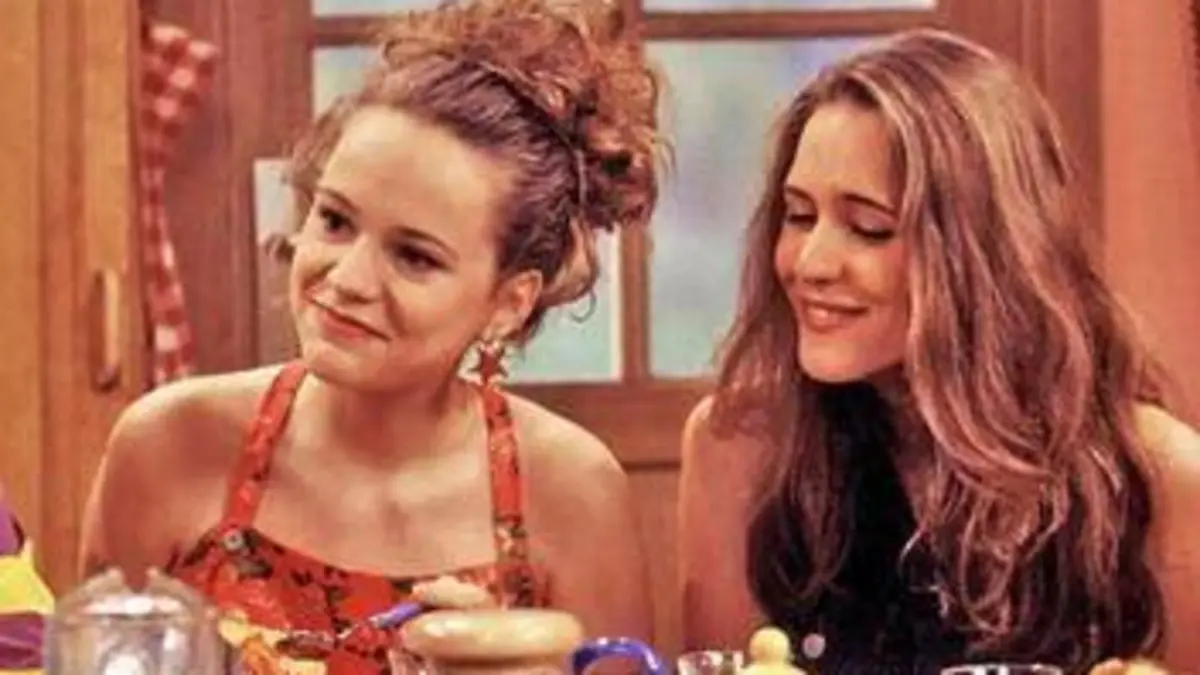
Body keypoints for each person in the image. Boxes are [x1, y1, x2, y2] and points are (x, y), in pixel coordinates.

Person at [81, 0, 665, 672]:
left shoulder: (572, 490)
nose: (348, 277)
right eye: (334, 220)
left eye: (414, 256)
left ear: (508, 302)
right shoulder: (169, 445)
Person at [678, 28, 1200, 673]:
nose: (811, 263)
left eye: (869, 228)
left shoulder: (1161, 476)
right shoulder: (739, 448)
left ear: (985, 254)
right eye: (800, 216)